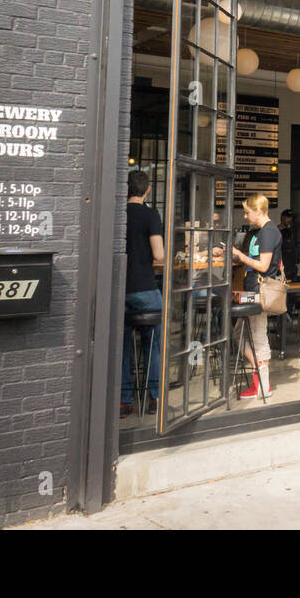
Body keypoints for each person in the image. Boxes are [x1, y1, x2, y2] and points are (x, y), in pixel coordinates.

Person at [123, 171, 164, 419]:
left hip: (121, 289)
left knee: (122, 346)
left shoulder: (117, 214)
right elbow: (159, 254)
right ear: (147, 190)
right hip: (146, 288)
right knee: (154, 344)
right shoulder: (150, 214)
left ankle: (123, 401)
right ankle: (154, 397)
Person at [231, 194, 280, 399]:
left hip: (260, 290)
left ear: (258, 211)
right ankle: (259, 377)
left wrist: (241, 257)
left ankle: (263, 384)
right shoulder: (261, 232)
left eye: (247, 212)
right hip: (253, 288)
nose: (245, 216)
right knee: (241, 334)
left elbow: (263, 266)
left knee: (258, 335)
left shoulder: (269, 232)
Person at [278, 208, 298, 280]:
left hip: (292, 264)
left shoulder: (292, 231)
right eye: (288, 217)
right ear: (283, 217)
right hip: (283, 264)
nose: (290, 219)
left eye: (291, 217)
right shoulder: (277, 231)